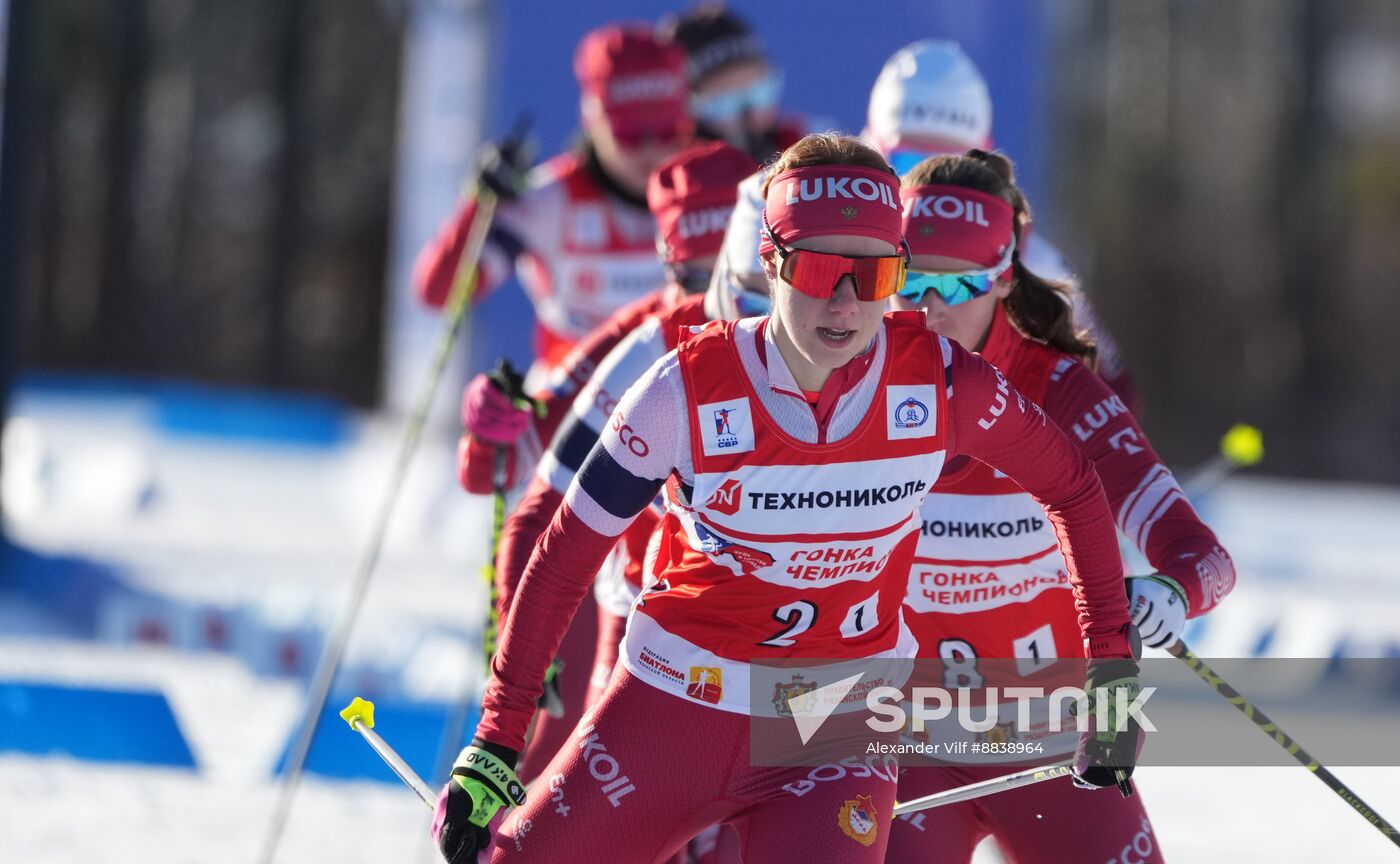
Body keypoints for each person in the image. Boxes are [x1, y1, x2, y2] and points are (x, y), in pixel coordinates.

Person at [432, 133, 1140, 864]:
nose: (844, 302)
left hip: (833, 728)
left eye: (872, 275)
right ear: (770, 263)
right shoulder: (682, 389)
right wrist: (497, 737)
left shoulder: (945, 384)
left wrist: (1111, 671)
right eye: (821, 269)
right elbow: (563, 553)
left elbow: (1074, 488)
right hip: (672, 710)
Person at [884, 151, 1237, 863]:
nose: (931, 306)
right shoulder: (852, 387)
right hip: (899, 734)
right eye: (910, 278)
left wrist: (1172, 593)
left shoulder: (1063, 393)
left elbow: (1205, 556)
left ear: (1004, 276)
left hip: (1051, 731)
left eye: (959, 282)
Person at [464, 140, 757, 784]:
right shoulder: (648, 338)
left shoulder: (834, 336)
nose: (718, 307)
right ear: (665, 264)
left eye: (737, 281)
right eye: (691, 276)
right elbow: (513, 482)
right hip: (645, 629)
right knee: (558, 794)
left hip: (781, 650)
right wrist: (489, 426)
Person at [865, 39, 1140, 414]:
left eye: (952, 161)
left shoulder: (1033, 262)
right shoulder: (830, 241)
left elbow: (1115, 399)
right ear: (874, 152)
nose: (930, 182)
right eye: (911, 159)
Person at [413, 23, 692, 377]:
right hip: (571, 414)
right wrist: (478, 207)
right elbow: (439, 293)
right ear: (592, 117)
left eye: (669, 130)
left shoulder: (706, 193)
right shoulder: (552, 202)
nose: (652, 148)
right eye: (631, 133)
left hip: (676, 409)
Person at [660, 3, 803, 162]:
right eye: (723, 102)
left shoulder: (816, 153)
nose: (750, 115)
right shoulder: (669, 177)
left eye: (759, 92)